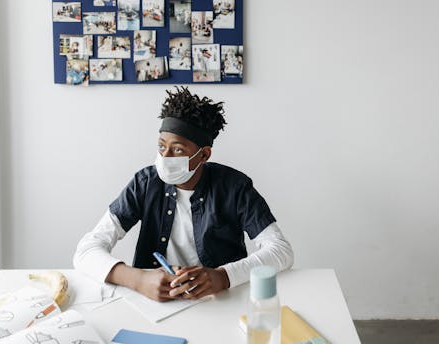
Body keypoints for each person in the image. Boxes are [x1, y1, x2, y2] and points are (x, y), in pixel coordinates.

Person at [73, 88, 294, 301]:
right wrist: (138, 279)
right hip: (153, 303)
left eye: (178, 149)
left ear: (204, 155)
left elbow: (281, 251)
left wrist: (223, 277)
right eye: (161, 147)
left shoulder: (234, 187)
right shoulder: (145, 183)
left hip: (220, 302)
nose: (165, 157)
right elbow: (86, 251)